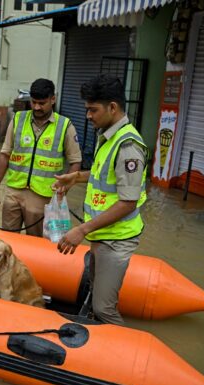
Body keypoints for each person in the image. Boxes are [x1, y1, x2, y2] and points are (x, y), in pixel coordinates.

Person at [52, 74, 149, 325]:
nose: (88, 116)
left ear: (113, 107)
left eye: (93, 110)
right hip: (102, 234)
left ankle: (126, 355)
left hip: (116, 238)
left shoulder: (128, 146)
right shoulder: (107, 137)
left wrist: (81, 230)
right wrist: (76, 177)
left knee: (104, 308)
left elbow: (127, 201)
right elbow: (102, 176)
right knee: (95, 296)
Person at [0, 78, 82, 237]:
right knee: (7, 241)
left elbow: (75, 162)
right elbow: (4, 155)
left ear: (53, 99)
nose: (37, 107)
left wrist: (63, 189)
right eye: (34, 102)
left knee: (37, 243)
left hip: (43, 198)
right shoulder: (18, 119)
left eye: (42, 103)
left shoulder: (65, 126)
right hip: (14, 192)